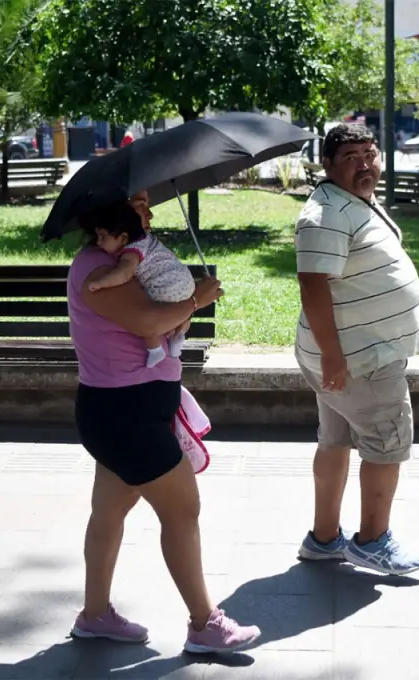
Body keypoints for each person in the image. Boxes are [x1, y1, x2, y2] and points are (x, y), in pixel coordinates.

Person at [67, 192, 260, 653]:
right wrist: (197, 299)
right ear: (112, 215)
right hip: (125, 414)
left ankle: (95, 616)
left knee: (110, 513)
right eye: (138, 207)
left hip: (127, 408)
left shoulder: (123, 257)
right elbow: (147, 320)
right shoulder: (98, 267)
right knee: (182, 511)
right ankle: (204, 625)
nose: (149, 214)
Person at [293, 123, 419, 576]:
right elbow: (312, 287)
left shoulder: (354, 202)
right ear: (327, 165)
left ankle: (324, 539)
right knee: (385, 444)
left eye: (370, 154)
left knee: (335, 441)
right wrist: (333, 356)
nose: (364, 164)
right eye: (351, 157)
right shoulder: (325, 214)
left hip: (352, 356)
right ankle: (372, 541)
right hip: (358, 361)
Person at [86, 203, 194, 368]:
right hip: (185, 281)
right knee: (172, 309)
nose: (99, 243)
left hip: (166, 286)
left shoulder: (131, 252)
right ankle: (177, 335)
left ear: (123, 238)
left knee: (145, 311)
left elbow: (124, 274)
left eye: (102, 236)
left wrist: (101, 282)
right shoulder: (146, 239)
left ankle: (154, 348)